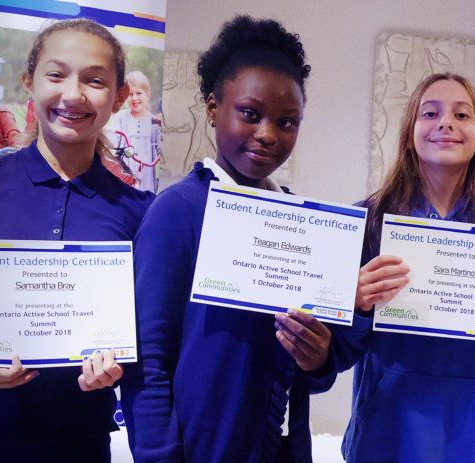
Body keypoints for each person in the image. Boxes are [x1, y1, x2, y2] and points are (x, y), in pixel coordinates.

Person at [0, 18, 152, 462]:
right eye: (56, 74)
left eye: (94, 80)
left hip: (76, 441)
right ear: (28, 82)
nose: (73, 94)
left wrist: (119, 364)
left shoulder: (138, 211)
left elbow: (148, 339)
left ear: (120, 97)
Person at [120, 16, 334, 463]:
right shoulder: (177, 211)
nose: (268, 135)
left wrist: (318, 357)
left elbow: (312, 375)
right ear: (213, 107)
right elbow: (147, 359)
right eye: (250, 114)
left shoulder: (298, 220)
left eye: (288, 121)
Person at [332, 72, 475, 462]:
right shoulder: (368, 221)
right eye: (430, 113)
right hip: (386, 442)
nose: (446, 124)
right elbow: (335, 354)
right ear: (410, 132)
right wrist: (356, 306)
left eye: (461, 115)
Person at [108, 70, 161, 193]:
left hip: (147, 180)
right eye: (130, 94)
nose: (135, 98)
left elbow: (161, 151)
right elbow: (112, 141)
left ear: (148, 95)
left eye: (139, 93)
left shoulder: (154, 122)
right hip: (125, 178)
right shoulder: (121, 117)